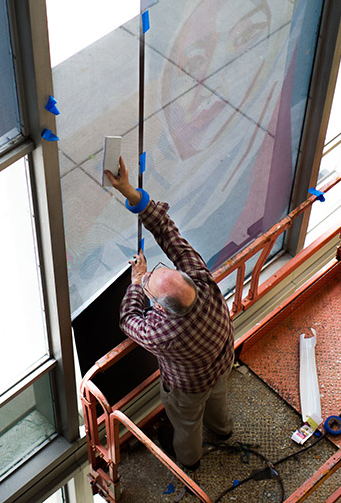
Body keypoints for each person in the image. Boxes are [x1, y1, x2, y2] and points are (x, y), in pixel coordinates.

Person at [105, 157, 235, 470]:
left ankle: (189, 462)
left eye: (152, 285)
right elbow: (166, 230)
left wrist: (137, 284)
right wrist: (130, 193)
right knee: (218, 399)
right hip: (222, 361)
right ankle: (224, 431)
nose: (150, 275)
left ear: (162, 308)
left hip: (189, 388)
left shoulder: (165, 333)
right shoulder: (200, 277)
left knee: (187, 423)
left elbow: (128, 321)